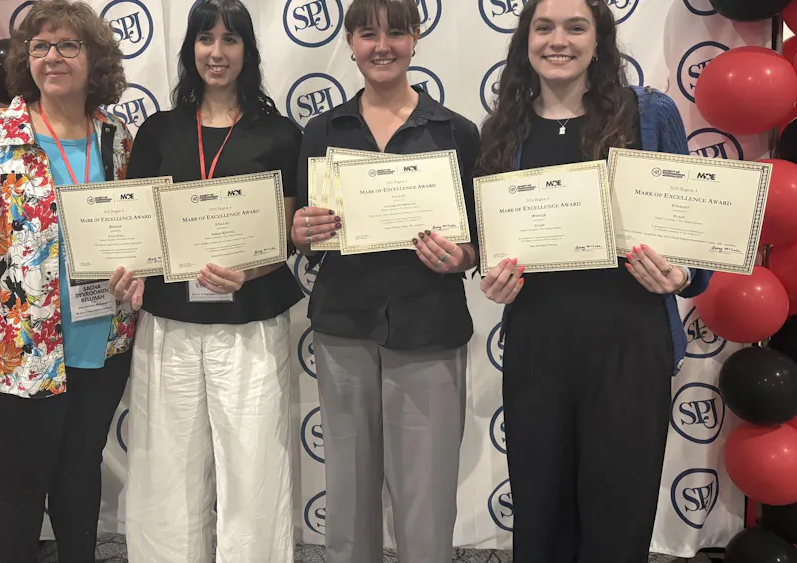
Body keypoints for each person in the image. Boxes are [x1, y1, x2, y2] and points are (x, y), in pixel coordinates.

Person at [474, 0, 713, 561]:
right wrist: (494, 280)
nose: (559, 40)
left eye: (576, 27)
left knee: (619, 511)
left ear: (599, 39)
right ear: (525, 40)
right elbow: (492, 247)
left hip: (629, 347)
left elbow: (694, 243)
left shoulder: (648, 115)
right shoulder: (504, 129)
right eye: (545, 27)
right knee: (540, 510)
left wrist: (682, 273)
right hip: (537, 346)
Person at [0, 1, 136, 561]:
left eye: (68, 45)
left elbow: (137, 237)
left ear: (96, 58)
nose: (52, 57)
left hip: (102, 348)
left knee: (81, 476)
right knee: (15, 492)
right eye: (39, 47)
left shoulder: (119, 140)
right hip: (17, 358)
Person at [106, 1, 303, 562]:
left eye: (230, 40)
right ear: (190, 49)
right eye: (205, 40)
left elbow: (288, 232)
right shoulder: (159, 131)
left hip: (250, 321)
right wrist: (129, 271)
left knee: (254, 464)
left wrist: (254, 268)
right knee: (167, 464)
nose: (217, 53)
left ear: (248, 50)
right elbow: (137, 226)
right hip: (170, 322)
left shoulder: (280, 134)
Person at [290, 0, 481, 560]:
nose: (382, 46)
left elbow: (481, 241)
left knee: (425, 491)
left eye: (396, 33)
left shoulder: (456, 132)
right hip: (343, 325)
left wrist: (461, 256)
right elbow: (305, 229)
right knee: (347, 486)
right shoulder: (322, 131)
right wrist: (302, 230)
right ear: (350, 41)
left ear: (416, 40)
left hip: (430, 324)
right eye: (368, 33)